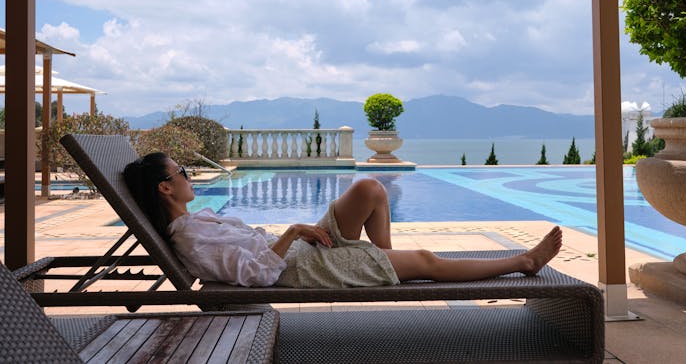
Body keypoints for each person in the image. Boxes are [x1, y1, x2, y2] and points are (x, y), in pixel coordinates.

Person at [123, 152, 563, 289]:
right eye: (180, 171)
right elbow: (258, 275)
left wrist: (295, 235)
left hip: (299, 250)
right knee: (428, 260)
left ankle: (385, 259)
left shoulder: (195, 223)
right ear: (166, 188)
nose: (186, 174)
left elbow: (254, 256)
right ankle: (522, 263)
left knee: (370, 188)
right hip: (299, 268)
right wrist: (294, 231)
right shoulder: (192, 240)